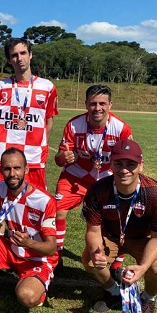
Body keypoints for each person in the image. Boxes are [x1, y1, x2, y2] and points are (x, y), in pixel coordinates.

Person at [81, 139, 157, 313]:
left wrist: (143, 267)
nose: (124, 170)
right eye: (119, 163)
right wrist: (96, 250)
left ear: (141, 165)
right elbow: (93, 230)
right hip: (110, 236)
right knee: (91, 261)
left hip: (144, 239)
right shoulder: (98, 190)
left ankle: (148, 298)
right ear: (111, 164)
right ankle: (113, 292)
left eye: (131, 164)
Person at [0, 148, 58, 309]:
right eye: (7, 169)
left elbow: (51, 249)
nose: (12, 174)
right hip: (10, 249)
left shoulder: (44, 201)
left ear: (26, 169)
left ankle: (37, 284)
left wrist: (28, 243)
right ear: (1, 170)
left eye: (17, 168)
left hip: (36, 259)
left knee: (27, 296)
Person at [54, 84, 132, 263]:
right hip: (76, 175)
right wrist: (63, 157)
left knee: (118, 218)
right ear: (86, 104)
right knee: (58, 212)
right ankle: (56, 256)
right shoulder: (74, 125)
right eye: (93, 103)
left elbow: (130, 160)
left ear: (110, 105)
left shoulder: (121, 128)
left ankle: (117, 263)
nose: (97, 108)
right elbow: (58, 159)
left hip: (106, 178)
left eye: (102, 103)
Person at [0, 38, 58, 189]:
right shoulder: (0, 87)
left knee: (35, 200)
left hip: (33, 158)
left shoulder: (47, 87)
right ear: (9, 60)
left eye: (23, 53)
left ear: (30, 54)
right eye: (14, 55)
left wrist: (39, 144)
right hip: (3, 158)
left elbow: (49, 120)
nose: (19, 58)